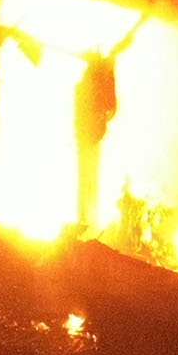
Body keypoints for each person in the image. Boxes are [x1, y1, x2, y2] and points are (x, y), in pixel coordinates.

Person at [73, 41, 123, 236]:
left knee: (88, 178)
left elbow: (110, 104)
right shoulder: (90, 84)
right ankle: (86, 222)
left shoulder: (91, 83)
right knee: (87, 178)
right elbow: (110, 105)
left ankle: (87, 222)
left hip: (89, 133)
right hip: (88, 133)